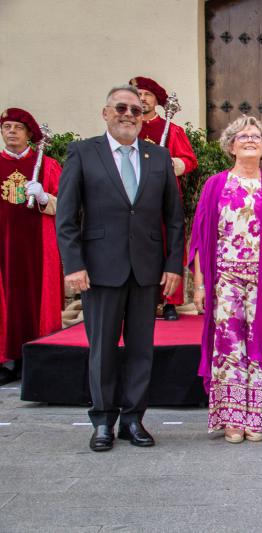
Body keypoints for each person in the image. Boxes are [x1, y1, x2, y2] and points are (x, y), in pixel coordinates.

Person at [56, 85, 184, 451]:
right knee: (102, 349)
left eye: (136, 110)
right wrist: (73, 265)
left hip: (147, 270)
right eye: (121, 108)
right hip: (99, 269)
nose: (129, 114)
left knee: (142, 349)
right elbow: (66, 218)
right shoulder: (83, 153)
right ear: (106, 113)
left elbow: (174, 219)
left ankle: (133, 419)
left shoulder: (157, 157)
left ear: (144, 118)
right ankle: (103, 420)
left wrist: (174, 264)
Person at [190, 115, 262, 444]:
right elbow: (199, 237)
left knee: (256, 348)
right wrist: (199, 284)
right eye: (243, 136)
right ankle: (231, 418)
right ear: (231, 145)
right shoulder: (215, 185)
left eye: (257, 137)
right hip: (225, 281)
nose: (250, 140)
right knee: (228, 348)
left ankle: (253, 416)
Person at [0, 108, 62, 385]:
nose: (11, 132)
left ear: (28, 134)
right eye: (6, 127)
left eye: (17, 128)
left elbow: (67, 207)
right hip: (4, 243)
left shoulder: (46, 165)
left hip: (37, 244)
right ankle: (5, 360)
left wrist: (44, 197)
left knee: (37, 298)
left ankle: (35, 360)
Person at [131, 76, 198, 321]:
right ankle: (142, 299)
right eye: (137, 94)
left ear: (156, 99)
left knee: (169, 246)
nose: (142, 98)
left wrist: (169, 164)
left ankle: (169, 302)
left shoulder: (171, 129)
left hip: (163, 197)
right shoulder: (128, 128)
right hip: (133, 200)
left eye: (147, 94)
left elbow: (189, 160)